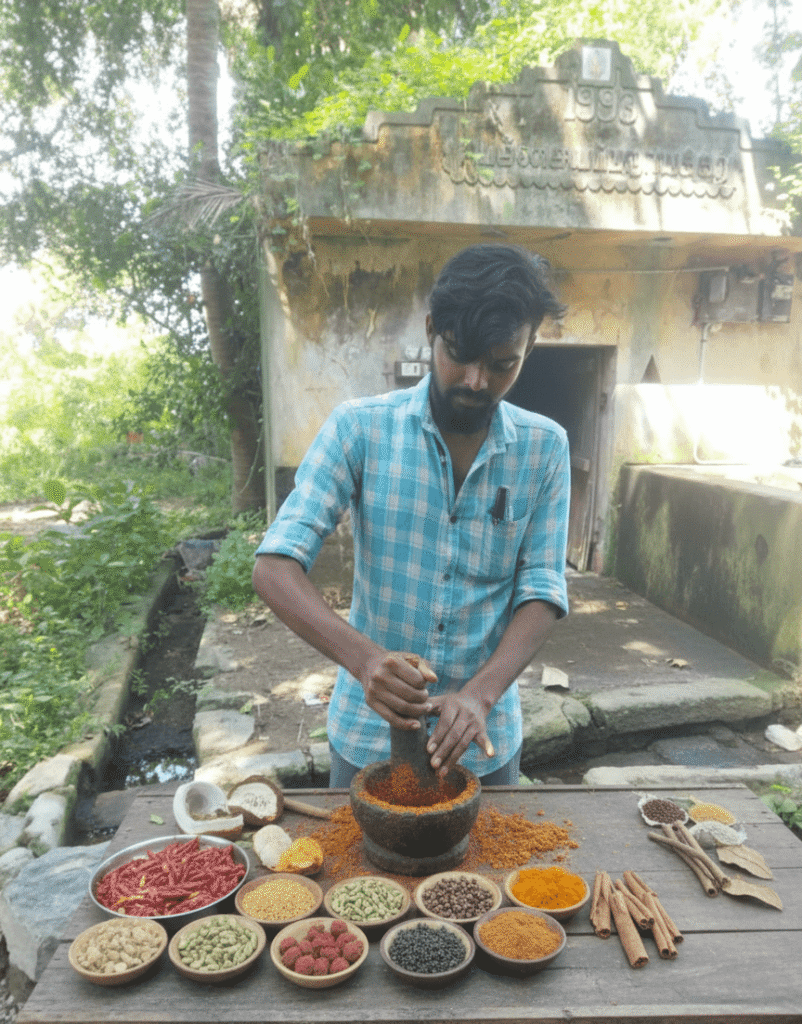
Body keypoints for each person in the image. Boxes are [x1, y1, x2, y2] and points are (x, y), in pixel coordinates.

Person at [252, 244, 570, 788]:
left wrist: (479, 694)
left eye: (500, 365)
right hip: (367, 740)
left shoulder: (545, 447)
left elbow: (541, 588)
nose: (475, 381)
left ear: (530, 346)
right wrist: (364, 660)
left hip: (483, 747)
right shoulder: (359, 429)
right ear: (430, 330)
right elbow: (274, 566)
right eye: (458, 354)